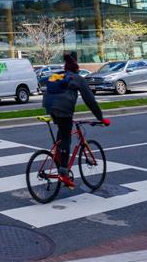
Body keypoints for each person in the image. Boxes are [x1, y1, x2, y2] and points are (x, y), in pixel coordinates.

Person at [41, 52, 109, 188]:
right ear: (77, 69)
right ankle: (64, 173)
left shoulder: (59, 75)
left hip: (49, 107)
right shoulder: (77, 78)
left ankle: (58, 157)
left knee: (62, 131)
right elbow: (90, 100)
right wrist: (100, 118)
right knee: (66, 138)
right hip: (63, 109)